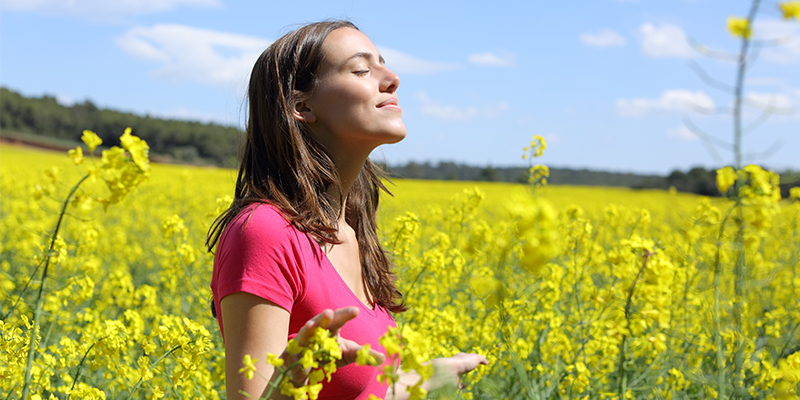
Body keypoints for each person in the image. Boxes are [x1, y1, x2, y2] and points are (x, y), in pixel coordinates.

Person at [207, 20, 487, 400]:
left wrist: (416, 382)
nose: (392, 79)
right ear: (301, 106)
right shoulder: (265, 232)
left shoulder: (352, 234)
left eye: (384, 64)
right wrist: (288, 385)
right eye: (361, 69)